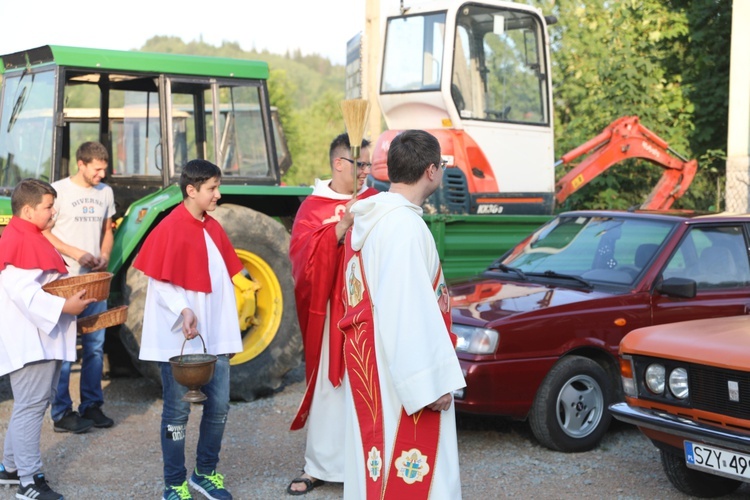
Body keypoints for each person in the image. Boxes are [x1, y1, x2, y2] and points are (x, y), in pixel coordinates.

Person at [339, 130, 466, 499]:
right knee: (413, 475)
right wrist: (430, 384)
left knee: (375, 473)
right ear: (431, 171)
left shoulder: (373, 220)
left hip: (378, 366)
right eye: (441, 166)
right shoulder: (404, 227)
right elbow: (406, 310)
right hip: (402, 381)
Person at [134, 159, 243, 500]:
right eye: (212, 189)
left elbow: (222, 278)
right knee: (177, 411)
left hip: (213, 335)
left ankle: (205, 473)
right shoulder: (169, 227)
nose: (218, 195)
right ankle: (174, 482)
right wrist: (184, 309)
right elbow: (160, 279)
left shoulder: (213, 226)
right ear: (191, 190)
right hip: (178, 336)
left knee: (220, 406)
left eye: (217, 187)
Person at [287, 133, 378, 495]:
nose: (366, 172)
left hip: (368, 312)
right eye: (361, 165)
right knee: (330, 388)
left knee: (368, 384)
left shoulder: (375, 201)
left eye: (370, 165)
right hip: (329, 315)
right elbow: (302, 263)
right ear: (339, 163)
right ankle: (320, 465)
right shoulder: (313, 206)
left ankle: (367, 462)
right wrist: (339, 229)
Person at [0, 179, 95, 500]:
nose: (54, 211)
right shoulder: (22, 240)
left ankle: (11, 470)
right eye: (48, 207)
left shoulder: (26, 234)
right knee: (30, 407)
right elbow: (23, 291)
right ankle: (29, 483)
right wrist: (65, 306)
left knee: (30, 405)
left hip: (39, 337)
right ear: (28, 211)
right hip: (31, 341)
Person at [43, 141, 116, 433]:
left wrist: (105, 256)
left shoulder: (106, 192)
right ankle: (62, 413)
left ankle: (91, 406)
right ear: (81, 164)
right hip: (65, 281)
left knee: (95, 346)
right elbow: (44, 232)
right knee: (63, 348)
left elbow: (106, 231)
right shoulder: (57, 191)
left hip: (94, 281)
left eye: (104, 170)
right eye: (97, 170)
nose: (101, 175)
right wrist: (75, 253)